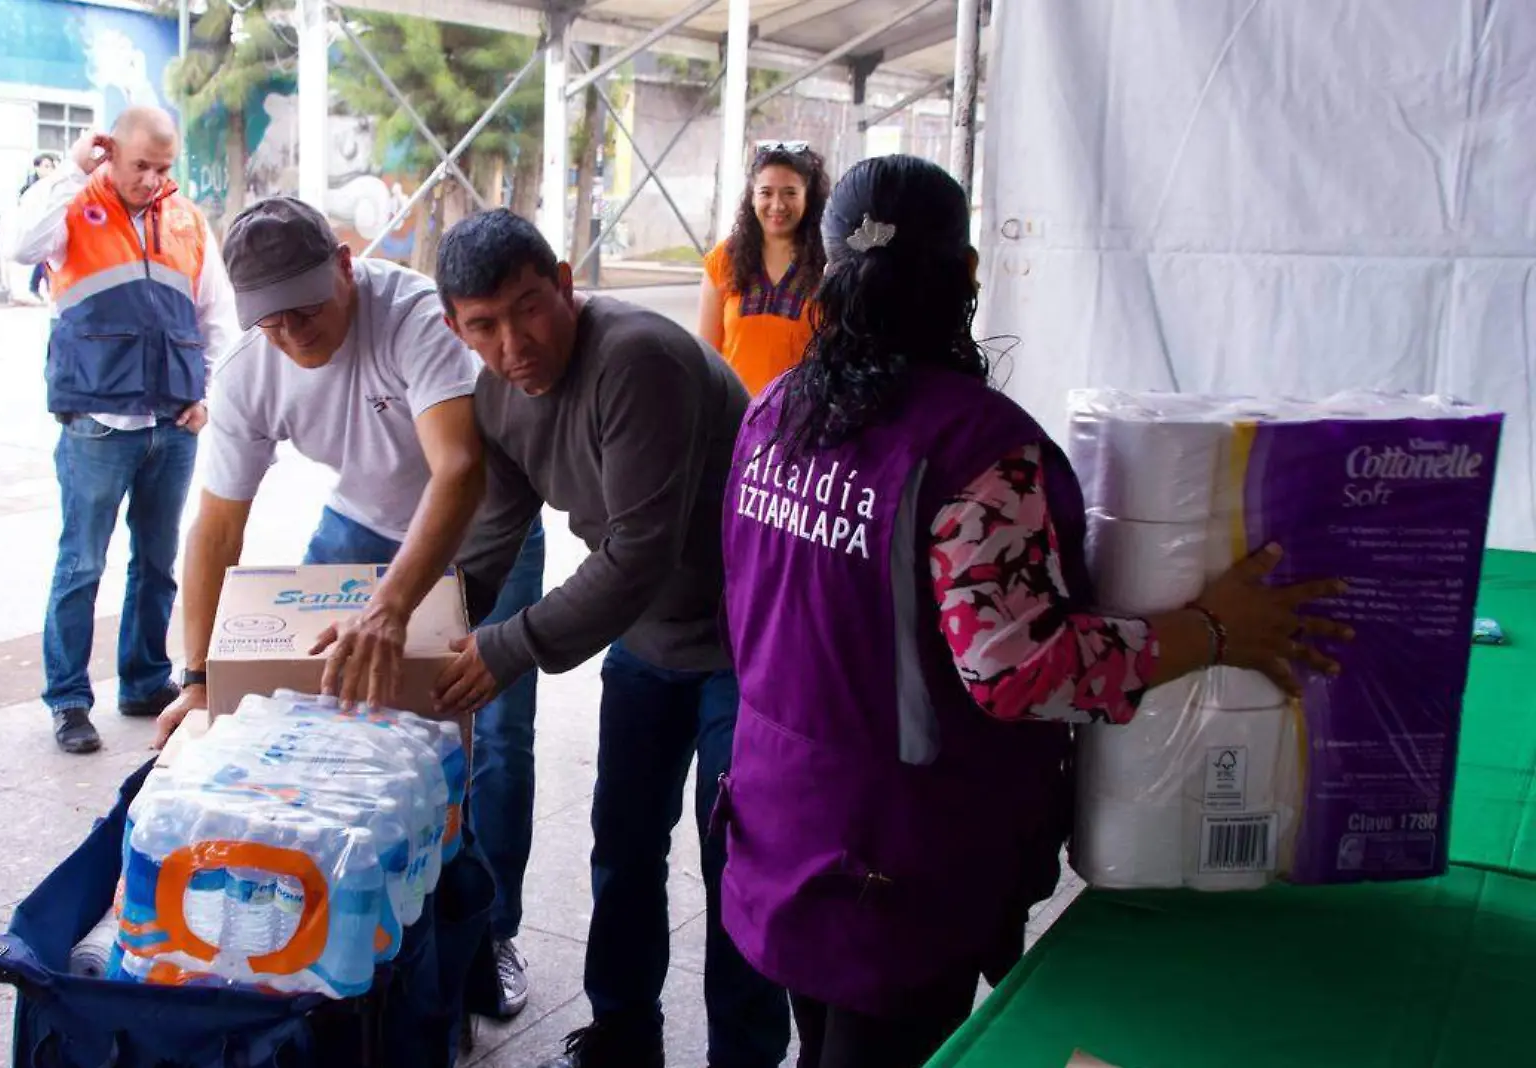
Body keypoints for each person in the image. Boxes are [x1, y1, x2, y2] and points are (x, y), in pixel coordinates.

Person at [714, 155, 1354, 1068]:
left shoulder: (772, 415)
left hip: (783, 814)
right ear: (968, 276)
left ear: (823, 270)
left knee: (821, 1040)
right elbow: (1020, 672)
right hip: (893, 858)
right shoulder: (977, 449)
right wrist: (1213, 630)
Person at [147, 196, 550, 1016]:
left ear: (343, 263)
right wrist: (196, 676)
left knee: (494, 740)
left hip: (481, 530)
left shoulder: (410, 315)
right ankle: (336, 907)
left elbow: (460, 469)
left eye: (305, 309)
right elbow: (217, 527)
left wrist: (392, 607)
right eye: (270, 321)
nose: (292, 333)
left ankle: (490, 935)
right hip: (358, 523)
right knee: (303, 706)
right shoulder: (251, 369)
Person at [434, 209, 789, 1068]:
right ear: (457, 328)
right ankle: (625, 1033)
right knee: (624, 840)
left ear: (563, 282)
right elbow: (492, 542)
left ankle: (745, 1055)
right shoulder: (496, 394)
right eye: (483, 325)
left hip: (746, 643)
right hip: (648, 639)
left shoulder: (635, 359)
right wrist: (427, 636)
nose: (513, 342)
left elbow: (635, 555)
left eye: (528, 308)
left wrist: (505, 649)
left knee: (737, 859)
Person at [9, 107, 237, 755]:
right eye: (141, 165)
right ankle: (70, 700)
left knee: (158, 563)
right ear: (110, 153)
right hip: (97, 425)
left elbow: (217, 316)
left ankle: (143, 681)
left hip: (172, 424)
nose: (151, 179)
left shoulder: (188, 219)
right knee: (81, 563)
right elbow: (20, 246)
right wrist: (71, 171)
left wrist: (206, 393)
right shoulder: (75, 205)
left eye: (164, 167)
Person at [697, 142, 829, 396]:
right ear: (752, 195)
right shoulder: (723, 260)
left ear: (808, 196)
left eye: (790, 193)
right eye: (766, 192)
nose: (777, 205)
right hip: (734, 421)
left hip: (803, 423)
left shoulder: (829, 264)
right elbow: (705, 358)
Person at [20, 152, 60, 302]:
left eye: (51, 166)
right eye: (46, 166)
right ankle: (43, 287)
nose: (49, 170)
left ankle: (38, 287)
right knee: (44, 259)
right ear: (37, 167)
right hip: (34, 228)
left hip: (48, 227)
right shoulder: (30, 187)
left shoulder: (52, 185)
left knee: (46, 259)